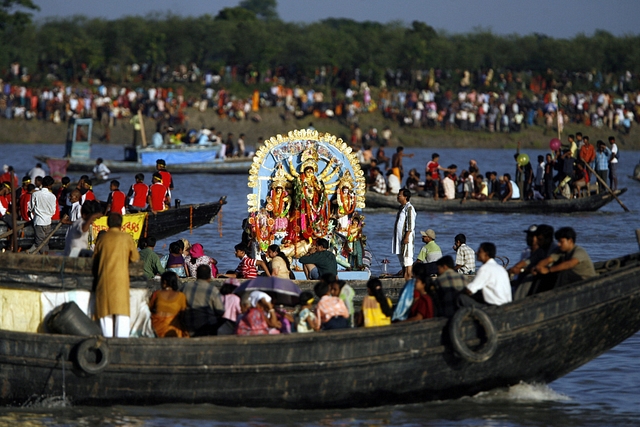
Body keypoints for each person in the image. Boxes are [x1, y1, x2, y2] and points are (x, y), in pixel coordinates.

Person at [93, 213, 140, 338]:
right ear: (121, 224)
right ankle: (121, 341)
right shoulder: (126, 238)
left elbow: (95, 259)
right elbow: (135, 258)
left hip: (104, 280)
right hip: (120, 281)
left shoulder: (102, 239)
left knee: (105, 312)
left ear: (108, 224)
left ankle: (107, 341)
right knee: (121, 313)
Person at [532, 226, 596, 292]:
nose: (558, 244)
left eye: (561, 242)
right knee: (542, 273)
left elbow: (569, 264)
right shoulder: (560, 251)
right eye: (558, 241)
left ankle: (556, 294)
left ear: (570, 241)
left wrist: (548, 270)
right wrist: (538, 267)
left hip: (586, 280)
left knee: (563, 272)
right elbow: (548, 260)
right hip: (571, 280)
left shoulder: (579, 251)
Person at [459, 242, 512, 307]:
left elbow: (470, 290)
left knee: (462, 297)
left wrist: (459, 292)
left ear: (486, 254)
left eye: (480, 251)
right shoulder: (501, 268)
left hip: (494, 306)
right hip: (506, 304)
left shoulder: (485, 268)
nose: (477, 253)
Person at [182, 264, 224, 336]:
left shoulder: (185, 287)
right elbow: (220, 310)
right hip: (206, 326)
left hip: (188, 324)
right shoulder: (212, 290)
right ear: (209, 277)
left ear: (197, 275)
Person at [149, 271, 189, 338]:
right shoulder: (181, 296)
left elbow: (149, 309)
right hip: (173, 330)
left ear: (164, 282)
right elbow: (183, 316)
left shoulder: (156, 294)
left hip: (157, 330)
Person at [28, 175, 57, 254]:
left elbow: (30, 208)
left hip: (39, 221)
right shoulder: (53, 196)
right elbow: (53, 211)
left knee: (39, 243)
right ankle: (44, 258)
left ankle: (40, 258)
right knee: (45, 243)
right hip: (48, 222)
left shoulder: (35, 194)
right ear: (50, 186)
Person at [392, 188, 416, 280]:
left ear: (405, 197)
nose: (398, 196)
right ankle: (403, 277)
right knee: (402, 260)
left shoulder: (409, 208)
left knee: (407, 259)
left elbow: (410, 224)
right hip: (399, 238)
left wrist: (406, 237)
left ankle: (408, 278)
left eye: (400, 195)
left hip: (406, 238)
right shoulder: (402, 207)